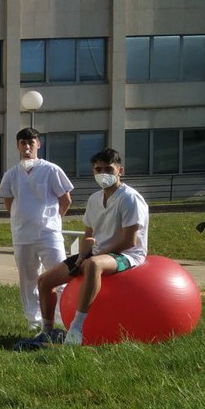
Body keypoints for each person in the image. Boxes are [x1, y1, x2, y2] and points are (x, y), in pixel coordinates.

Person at [23, 148, 149, 348]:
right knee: (45, 281)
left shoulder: (129, 198)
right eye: (98, 170)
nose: (103, 174)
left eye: (108, 169)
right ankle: (47, 332)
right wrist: (82, 256)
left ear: (120, 171)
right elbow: (89, 235)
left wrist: (92, 258)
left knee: (93, 265)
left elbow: (129, 241)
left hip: (127, 254)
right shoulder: (94, 199)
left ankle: (76, 329)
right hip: (97, 253)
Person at [0, 127, 74, 329]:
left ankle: (61, 318)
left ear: (38, 144)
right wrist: (19, 220)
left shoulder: (51, 170)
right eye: (23, 143)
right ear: (17, 146)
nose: (27, 147)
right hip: (22, 236)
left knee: (60, 276)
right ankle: (34, 320)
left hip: (49, 234)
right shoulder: (12, 174)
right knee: (28, 280)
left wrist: (53, 221)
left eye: (31, 142)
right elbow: (9, 201)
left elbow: (65, 200)